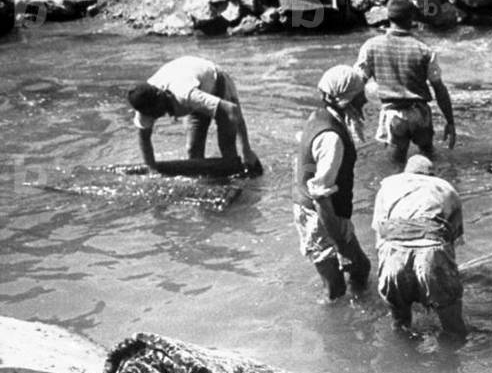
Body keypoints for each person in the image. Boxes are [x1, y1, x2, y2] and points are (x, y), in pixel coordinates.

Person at [293, 64, 372, 302]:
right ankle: (334, 330)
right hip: (319, 215)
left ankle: (361, 312)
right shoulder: (332, 138)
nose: (365, 100)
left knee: (361, 269)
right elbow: (320, 196)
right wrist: (340, 244)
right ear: (349, 99)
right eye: (361, 95)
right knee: (335, 288)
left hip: (325, 209)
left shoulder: (318, 116)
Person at [355, 0, 456, 167]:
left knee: (396, 161)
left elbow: (357, 83)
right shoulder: (424, 49)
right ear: (411, 19)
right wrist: (450, 122)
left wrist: (354, 115)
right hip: (419, 113)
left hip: (392, 114)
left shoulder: (371, 46)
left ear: (388, 18)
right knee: (428, 156)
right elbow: (439, 88)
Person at [372, 155, 466, 337]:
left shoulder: (388, 187)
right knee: (454, 328)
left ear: (406, 172)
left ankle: (402, 359)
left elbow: (380, 237)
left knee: (401, 327)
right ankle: (451, 361)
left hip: (393, 254)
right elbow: (453, 242)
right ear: (432, 174)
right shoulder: (446, 189)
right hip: (432, 251)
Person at [127, 56, 260, 171]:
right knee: (193, 150)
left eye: (156, 112)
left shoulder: (184, 93)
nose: (156, 116)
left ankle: (236, 178)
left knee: (227, 149)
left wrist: (246, 149)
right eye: (151, 115)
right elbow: (144, 139)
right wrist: (152, 170)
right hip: (191, 85)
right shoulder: (143, 104)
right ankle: (205, 183)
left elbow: (232, 110)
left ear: (160, 95)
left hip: (216, 82)